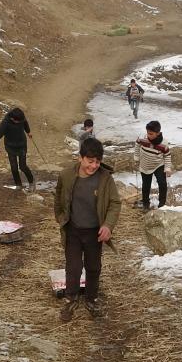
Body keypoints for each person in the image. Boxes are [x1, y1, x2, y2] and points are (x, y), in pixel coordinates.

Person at [54, 137, 121, 322]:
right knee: (73, 267)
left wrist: (107, 225)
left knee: (93, 267)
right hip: (73, 230)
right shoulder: (67, 175)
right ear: (80, 158)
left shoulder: (105, 178)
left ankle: (91, 298)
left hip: (94, 232)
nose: (94, 166)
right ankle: (71, 298)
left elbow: (115, 203)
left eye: (97, 161)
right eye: (90, 161)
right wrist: (60, 218)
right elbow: (59, 196)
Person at [0, 107, 34, 191]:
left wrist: (28, 132)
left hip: (22, 145)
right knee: (14, 167)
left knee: (23, 166)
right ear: (12, 119)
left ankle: (32, 183)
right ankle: (18, 185)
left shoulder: (21, 119)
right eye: (18, 121)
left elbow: (25, 122)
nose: (19, 122)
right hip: (10, 147)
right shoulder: (5, 123)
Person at [135, 120, 172, 211]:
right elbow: (137, 144)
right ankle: (145, 203)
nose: (148, 135)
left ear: (158, 133)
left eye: (151, 134)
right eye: (148, 133)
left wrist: (167, 168)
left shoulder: (163, 143)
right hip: (145, 165)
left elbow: (167, 155)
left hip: (158, 165)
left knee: (162, 183)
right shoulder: (142, 138)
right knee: (146, 185)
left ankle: (162, 205)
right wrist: (136, 157)